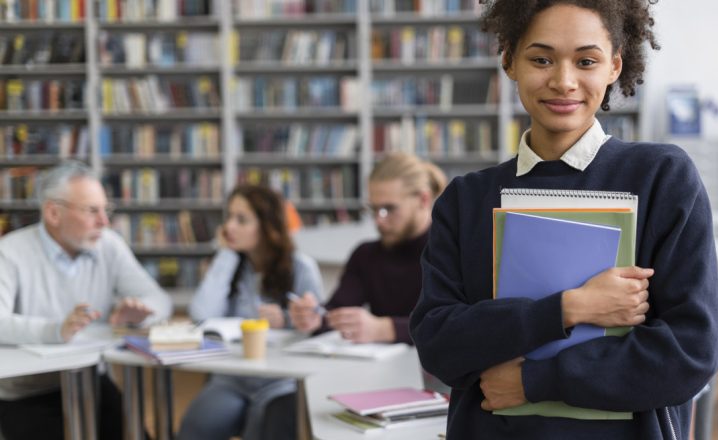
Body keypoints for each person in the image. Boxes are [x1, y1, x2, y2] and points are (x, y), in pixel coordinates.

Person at [409, 1, 718, 439]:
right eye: (541, 59)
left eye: (586, 61)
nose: (563, 81)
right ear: (509, 59)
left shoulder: (661, 178)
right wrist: (570, 308)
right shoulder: (467, 198)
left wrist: (532, 381)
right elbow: (439, 345)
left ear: (614, 66)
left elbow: (688, 355)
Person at [0, 160, 172, 440]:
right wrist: (56, 330)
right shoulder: (9, 253)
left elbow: (158, 298)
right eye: (92, 211)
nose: (104, 221)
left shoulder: (108, 244)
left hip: (90, 382)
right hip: (27, 392)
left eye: (106, 209)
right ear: (53, 213)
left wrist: (141, 312)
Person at [177, 184, 324, 440]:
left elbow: (318, 325)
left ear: (267, 226)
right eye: (229, 217)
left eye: (241, 220)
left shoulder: (301, 267)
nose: (229, 227)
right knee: (195, 428)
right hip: (232, 377)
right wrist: (226, 255)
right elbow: (201, 314)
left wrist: (289, 318)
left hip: (281, 381)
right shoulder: (231, 264)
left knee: (270, 428)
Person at [289, 152, 447, 344]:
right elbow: (335, 312)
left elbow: (456, 325)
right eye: (373, 209)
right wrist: (312, 317)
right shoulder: (365, 255)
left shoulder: (450, 253)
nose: (378, 220)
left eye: (389, 209)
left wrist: (385, 329)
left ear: (423, 200)